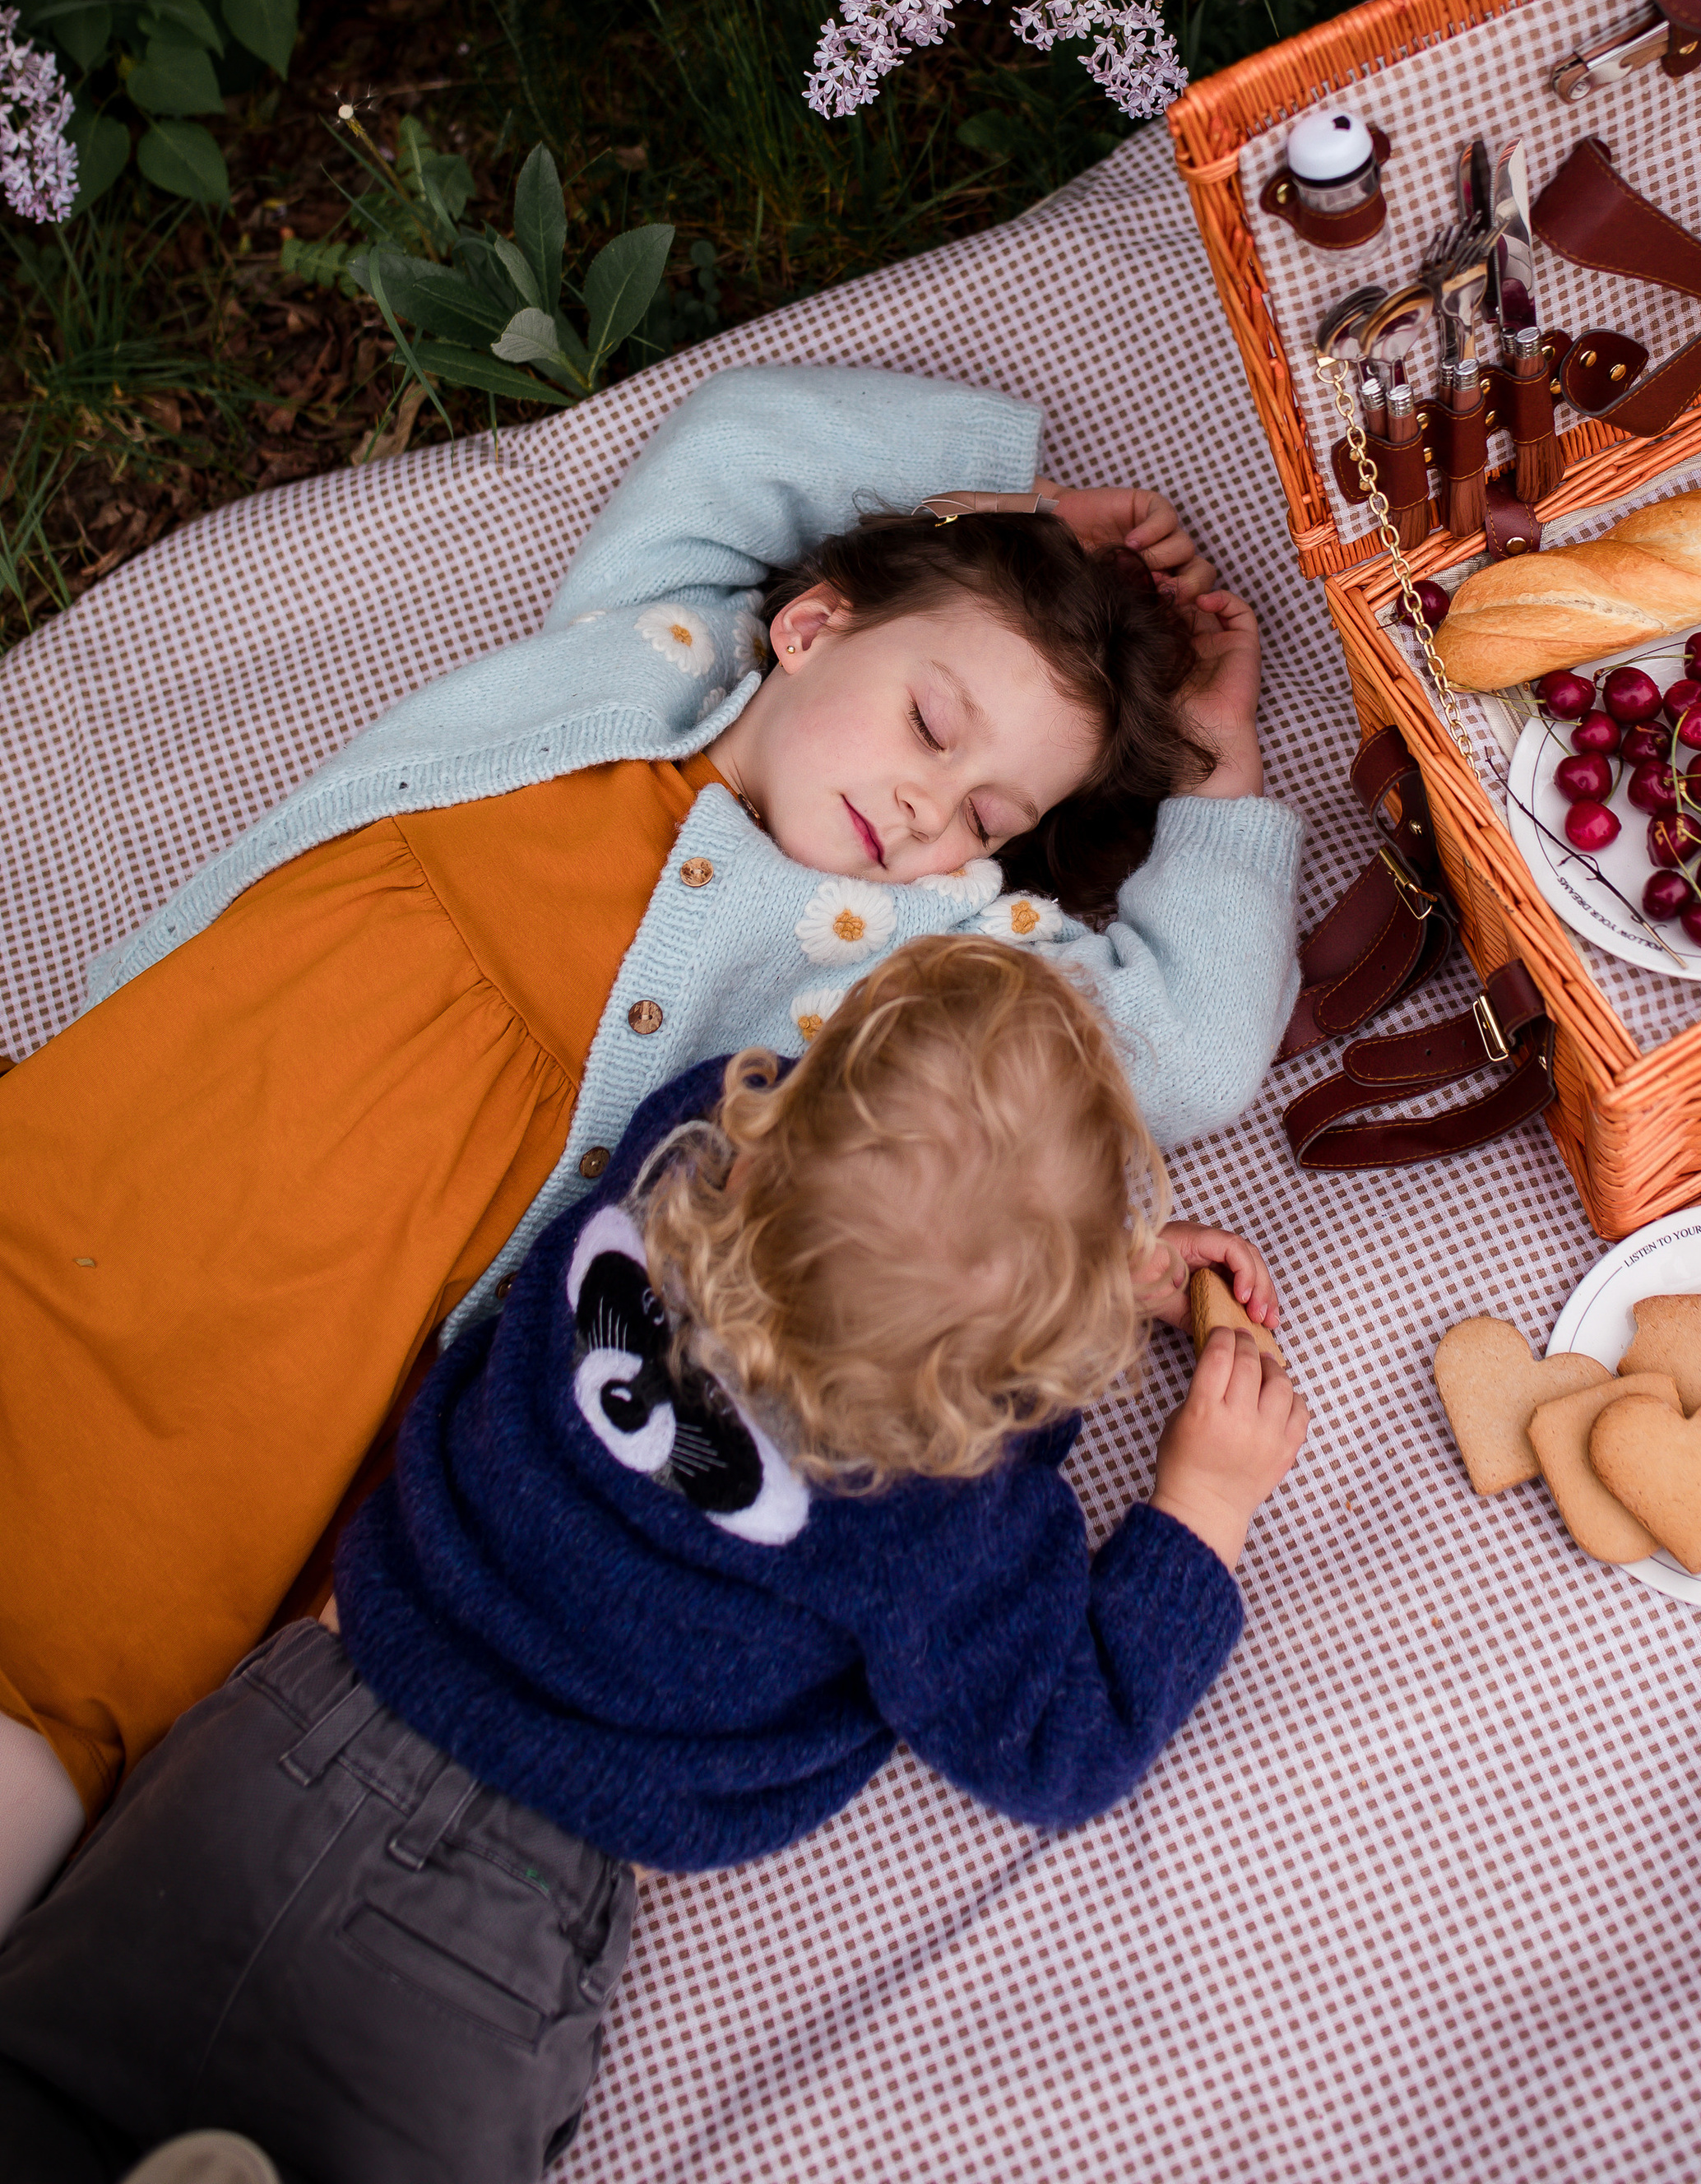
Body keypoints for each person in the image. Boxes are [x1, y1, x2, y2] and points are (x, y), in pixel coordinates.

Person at [0, 362, 1303, 1921]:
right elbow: (739, 446)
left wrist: (1224, 765)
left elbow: (1196, 1044)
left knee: (93, 1621)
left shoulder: (907, 968)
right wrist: (998, 513)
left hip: (320, 1318)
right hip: (144, 1124)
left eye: (993, 813)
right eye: (930, 720)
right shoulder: (652, 651)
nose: (931, 804)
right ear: (811, 627)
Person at [0, 938, 1310, 2184]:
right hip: (498, 1910)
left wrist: (1068, 1272)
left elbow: (850, 1215)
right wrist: (1201, 1509)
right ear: (996, 1406)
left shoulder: (677, 1157)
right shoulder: (935, 1524)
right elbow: (1063, 1742)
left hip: (280, 1739)